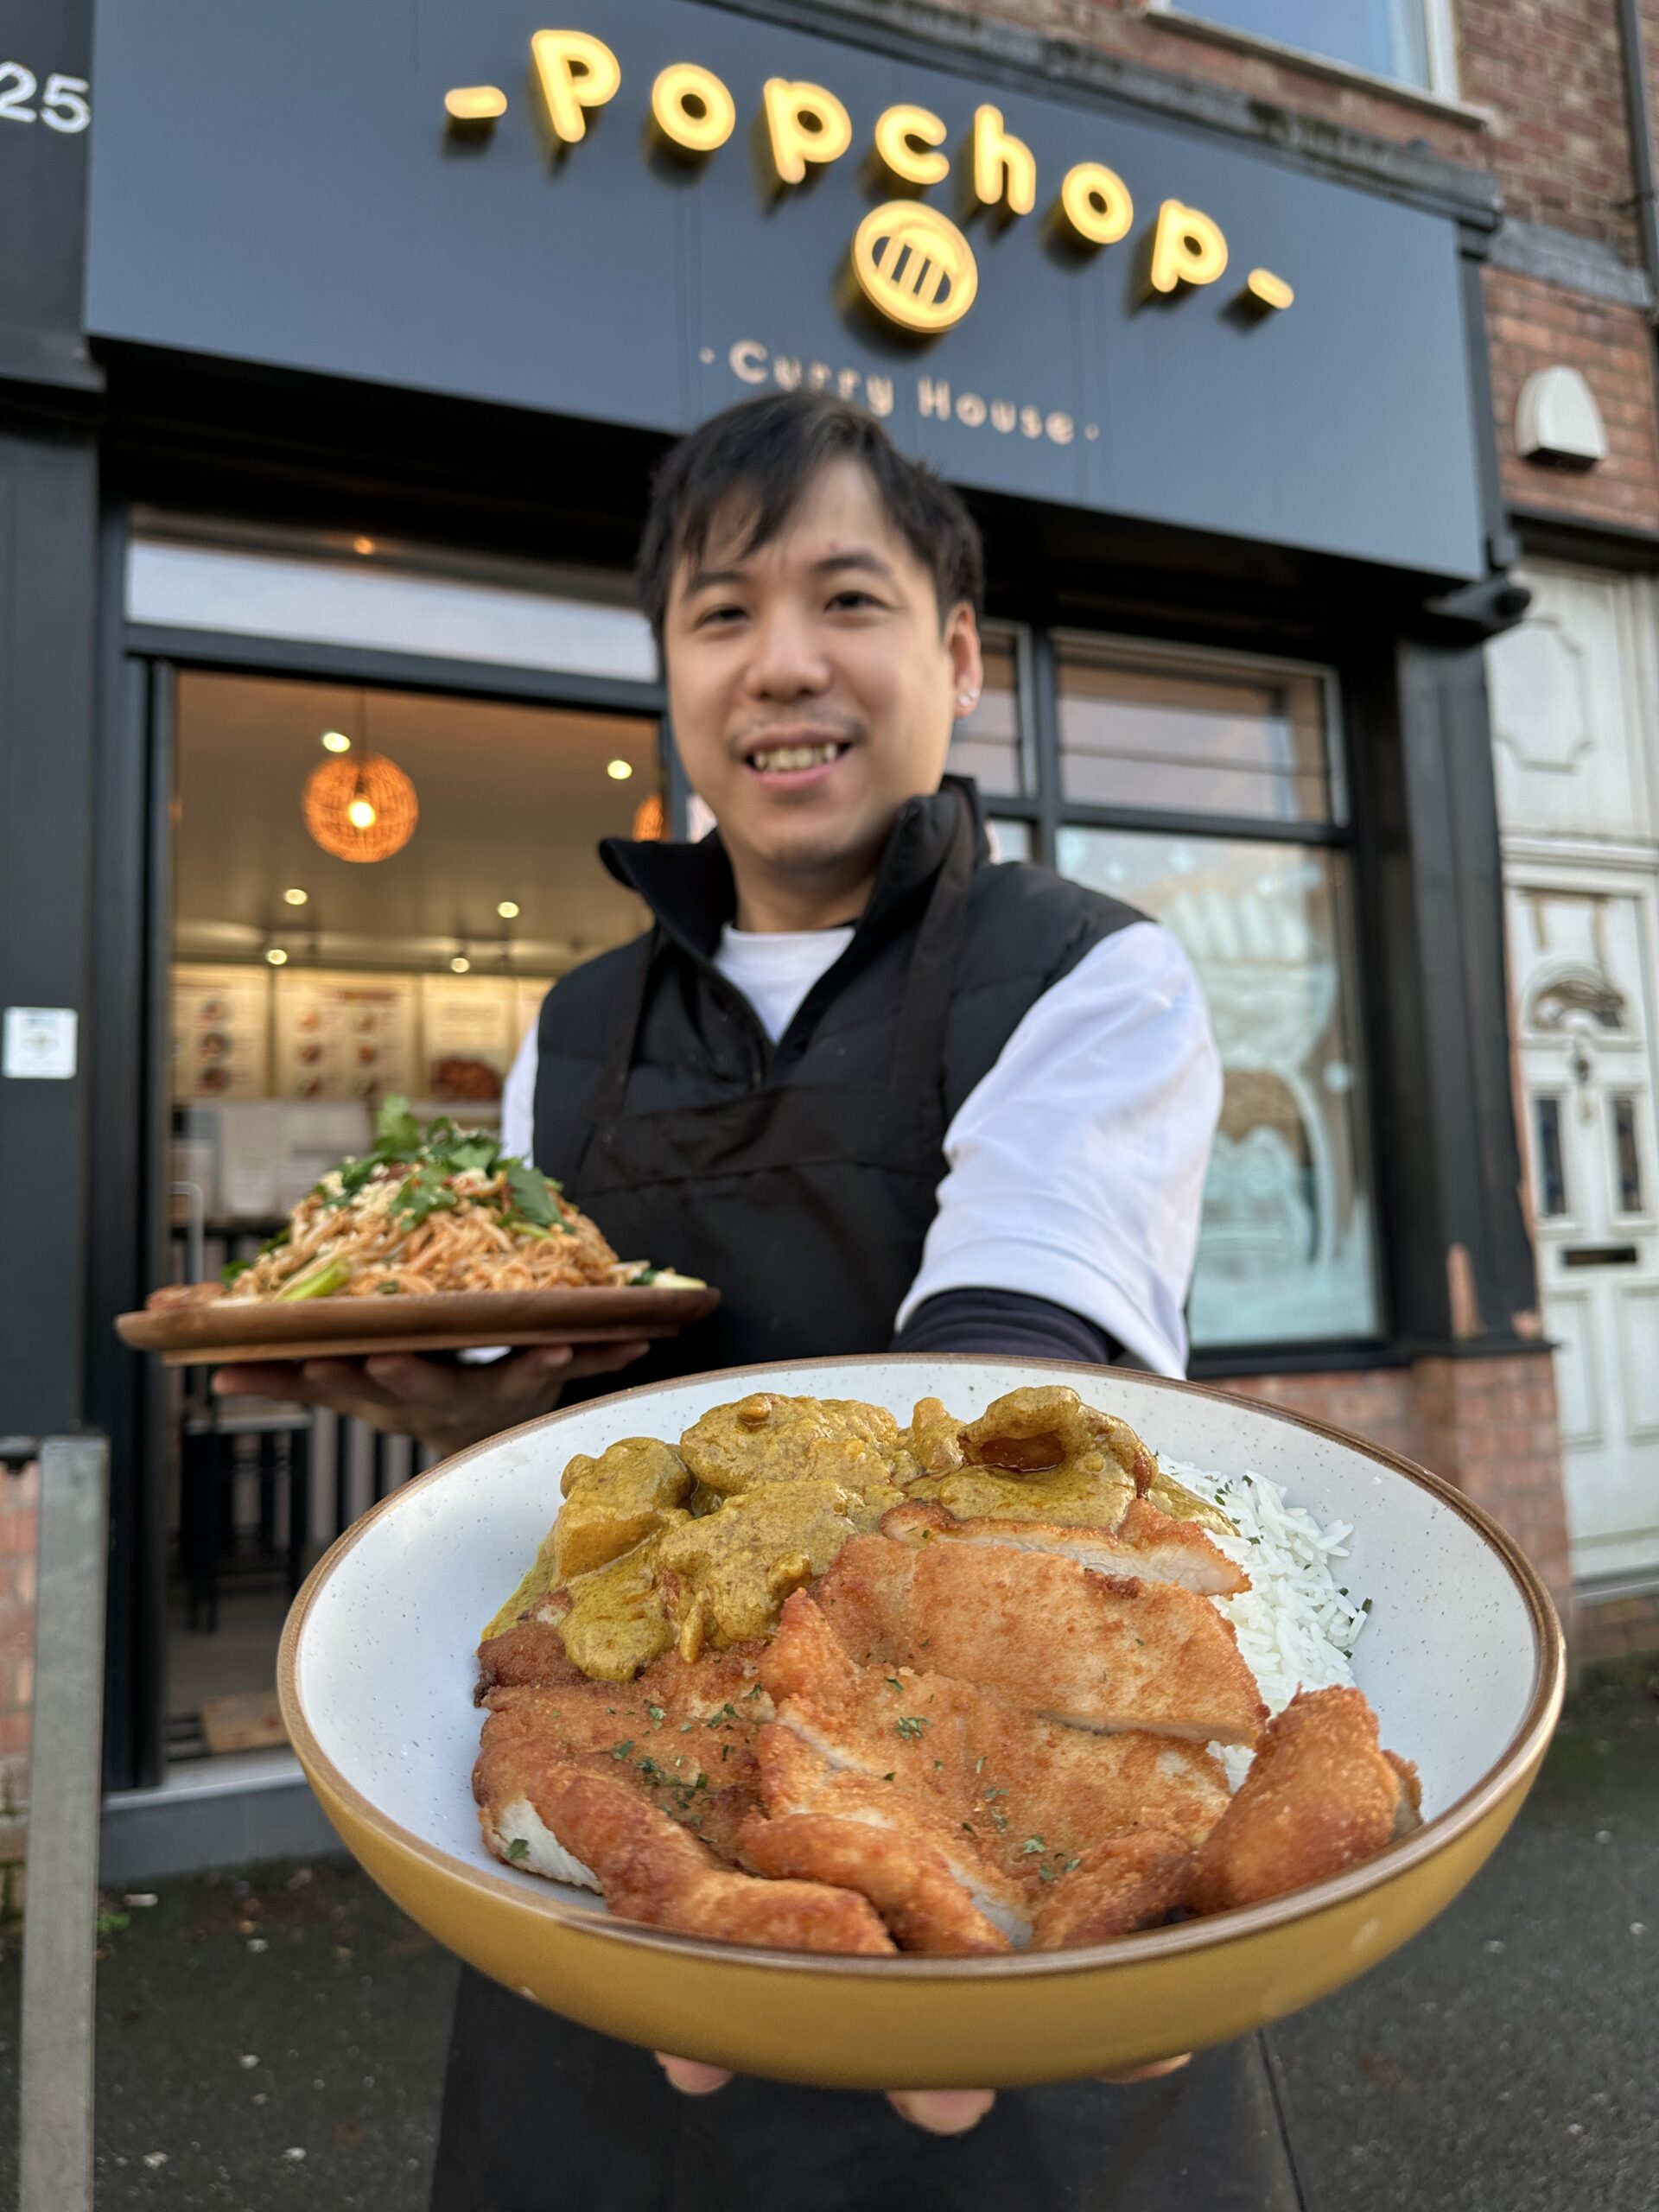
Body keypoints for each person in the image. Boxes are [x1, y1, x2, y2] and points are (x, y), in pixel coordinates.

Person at [218, 392, 1303, 2209]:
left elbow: (1015, 1362)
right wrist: (464, 1412)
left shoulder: (1083, 965)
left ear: (960, 653)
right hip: (616, 1896)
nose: (782, 662)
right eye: (722, 612)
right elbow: (546, 1417)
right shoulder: (571, 1030)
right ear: (668, 672)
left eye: (849, 600)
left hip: (1012, 1838)